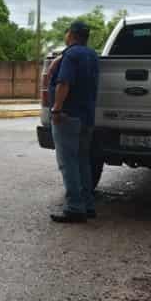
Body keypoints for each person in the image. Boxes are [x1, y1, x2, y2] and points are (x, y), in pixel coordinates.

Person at [48, 20, 100, 223]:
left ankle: (74, 208)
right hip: (87, 117)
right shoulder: (91, 55)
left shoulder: (71, 56)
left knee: (68, 163)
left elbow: (64, 83)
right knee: (82, 161)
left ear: (71, 34)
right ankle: (87, 205)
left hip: (68, 116)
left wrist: (57, 108)